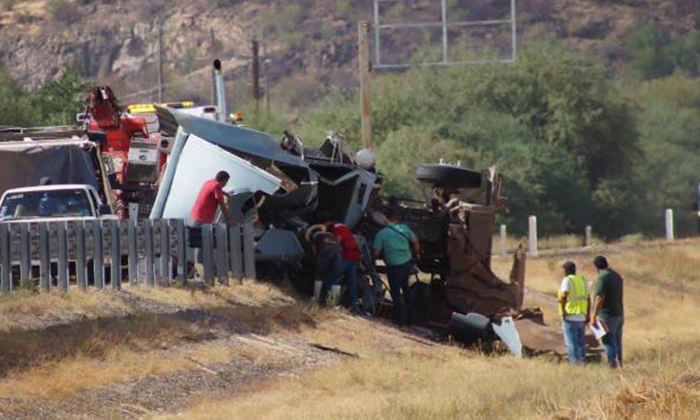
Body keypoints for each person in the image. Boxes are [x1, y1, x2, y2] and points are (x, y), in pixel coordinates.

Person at [373, 207, 420, 326]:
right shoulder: (404, 228)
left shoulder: (381, 234)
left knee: (395, 292)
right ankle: (411, 317)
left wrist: (374, 261)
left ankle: (400, 319)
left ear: (385, 219)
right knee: (406, 289)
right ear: (396, 219)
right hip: (406, 262)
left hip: (393, 265)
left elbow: (376, 253)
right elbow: (415, 241)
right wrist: (417, 254)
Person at [189, 171, 234, 270]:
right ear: (224, 181)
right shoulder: (217, 186)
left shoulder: (209, 182)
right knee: (200, 243)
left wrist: (225, 193)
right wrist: (231, 221)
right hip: (202, 218)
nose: (226, 184)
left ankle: (201, 268)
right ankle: (199, 269)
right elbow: (222, 206)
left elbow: (217, 190)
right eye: (226, 182)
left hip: (198, 215)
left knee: (202, 243)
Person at [591, 255, 624, 368]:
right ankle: (619, 364)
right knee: (617, 341)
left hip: (606, 315)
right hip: (619, 314)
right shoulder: (617, 276)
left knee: (607, 341)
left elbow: (600, 297)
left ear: (596, 267)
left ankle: (612, 365)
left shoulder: (602, 277)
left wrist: (593, 316)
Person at [558, 261, 590, 365]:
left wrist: (563, 312)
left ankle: (574, 363)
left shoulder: (567, 280)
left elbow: (564, 296)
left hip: (570, 316)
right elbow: (588, 299)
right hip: (581, 315)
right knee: (581, 342)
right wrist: (588, 314)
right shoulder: (582, 280)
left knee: (571, 343)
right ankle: (582, 361)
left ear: (566, 270)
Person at [326, 222, 360, 312]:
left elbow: (338, 240)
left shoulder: (334, 227)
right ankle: (354, 306)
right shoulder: (344, 226)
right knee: (352, 283)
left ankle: (329, 303)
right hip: (355, 256)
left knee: (331, 278)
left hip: (346, 256)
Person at [315, 232, 343, 307]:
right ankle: (333, 303)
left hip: (325, 249)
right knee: (334, 278)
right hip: (337, 251)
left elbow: (314, 250)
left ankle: (317, 299)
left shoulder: (318, 237)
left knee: (319, 275)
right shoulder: (332, 236)